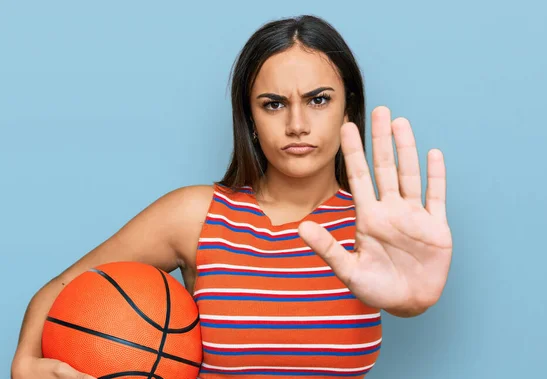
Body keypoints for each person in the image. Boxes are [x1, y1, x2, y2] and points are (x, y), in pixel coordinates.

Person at [11, 15, 453, 379]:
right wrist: (25, 367)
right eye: (273, 103)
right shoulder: (196, 216)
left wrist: (412, 303)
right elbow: (62, 291)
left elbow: (403, 295)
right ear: (249, 116)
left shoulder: (376, 227)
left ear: (347, 107)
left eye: (318, 100)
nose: (297, 124)